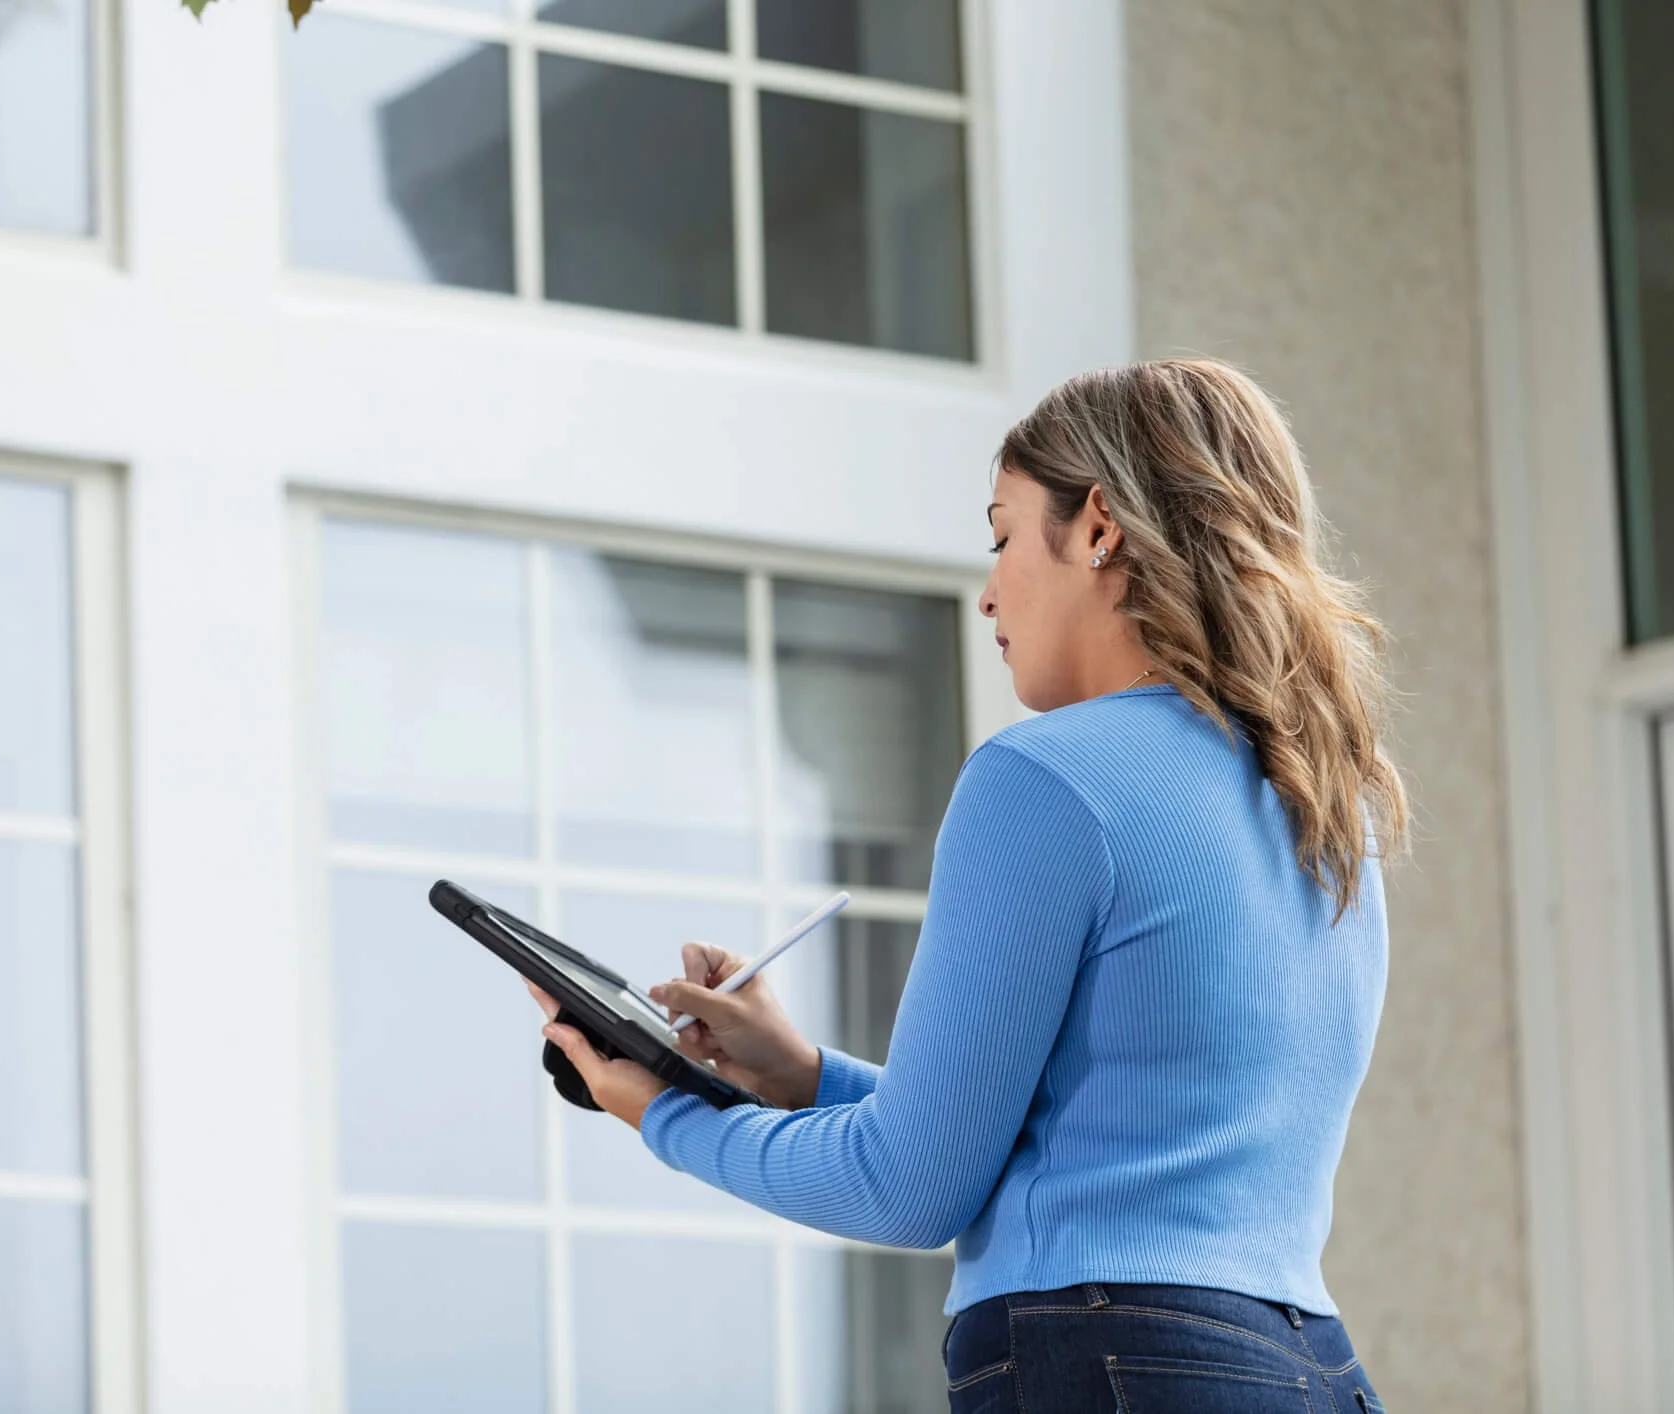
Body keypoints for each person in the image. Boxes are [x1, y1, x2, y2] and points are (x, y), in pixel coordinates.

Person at [530, 358, 1403, 1412]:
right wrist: (801, 1073)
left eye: (1000, 534)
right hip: (1307, 1368)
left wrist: (661, 1112)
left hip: (1108, 1362)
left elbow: (908, 1187)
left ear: (1098, 529)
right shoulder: (1324, 804)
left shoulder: (1043, 777)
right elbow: (1087, 1147)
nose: (987, 589)